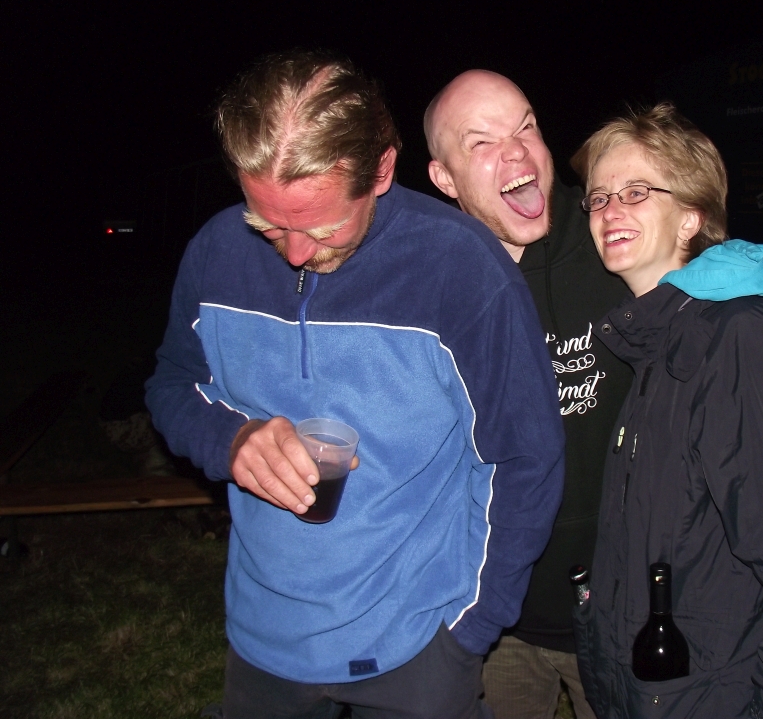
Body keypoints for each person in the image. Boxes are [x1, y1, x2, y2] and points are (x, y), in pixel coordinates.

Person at [423, 71, 763, 719]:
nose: (516, 152)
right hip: (498, 613)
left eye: (525, 127)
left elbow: (722, 274)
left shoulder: (608, 234)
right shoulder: (436, 277)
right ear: (444, 177)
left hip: (629, 609)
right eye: (481, 142)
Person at [145, 51, 565, 719]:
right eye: (267, 223)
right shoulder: (216, 253)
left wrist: (469, 630)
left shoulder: (461, 269)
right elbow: (173, 383)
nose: (294, 252)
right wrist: (232, 439)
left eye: (321, 226)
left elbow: (524, 458)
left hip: (419, 646)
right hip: (263, 638)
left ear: (383, 170)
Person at [571, 103, 763, 718]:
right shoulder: (656, 337)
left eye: (636, 191)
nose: (610, 210)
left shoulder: (735, 338)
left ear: (691, 216)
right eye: (599, 197)